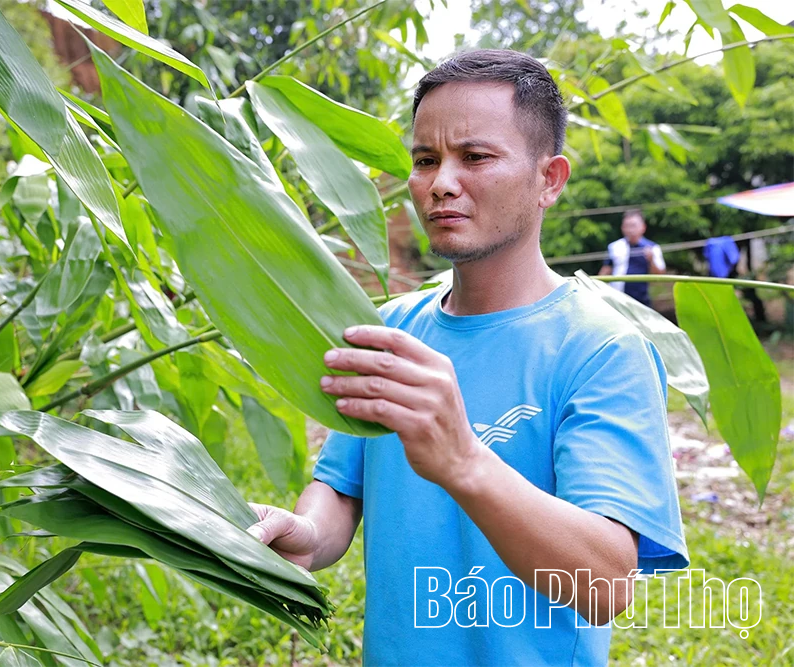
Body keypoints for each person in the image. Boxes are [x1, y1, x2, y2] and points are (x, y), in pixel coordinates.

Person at [247, 49, 688, 666]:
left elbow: (606, 585)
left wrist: (462, 461)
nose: (441, 183)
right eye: (425, 160)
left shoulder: (601, 350)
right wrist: (309, 535)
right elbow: (343, 487)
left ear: (550, 179)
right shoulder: (391, 330)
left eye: (475, 157)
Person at [598, 209, 666, 307]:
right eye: (627, 226)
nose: (630, 230)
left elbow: (660, 275)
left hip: (641, 301)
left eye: (633, 225)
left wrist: (651, 260)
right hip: (616, 299)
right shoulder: (614, 247)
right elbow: (605, 271)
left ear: (643, 227)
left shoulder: (652, 248)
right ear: (622, 228)